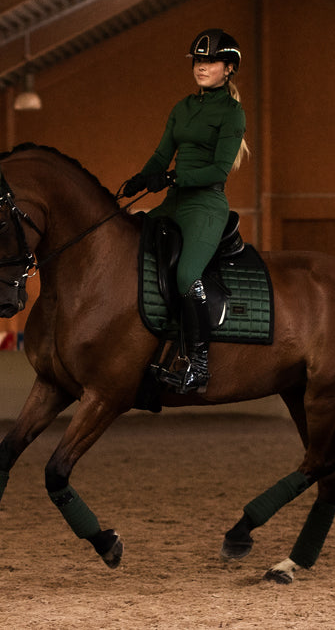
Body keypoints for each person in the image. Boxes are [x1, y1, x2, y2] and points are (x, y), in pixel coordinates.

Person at [123, 28, 249, 394]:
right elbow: (162, 154)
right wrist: (141, 177)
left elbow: (218, 171)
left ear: (228, 68)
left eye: (209, 61)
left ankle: (198, 366)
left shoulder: (232, 113)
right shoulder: (183, 107)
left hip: (205, 204)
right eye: (198, 60)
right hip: (174, 201)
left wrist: (174, 177)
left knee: (186, 275)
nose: (201, 66)